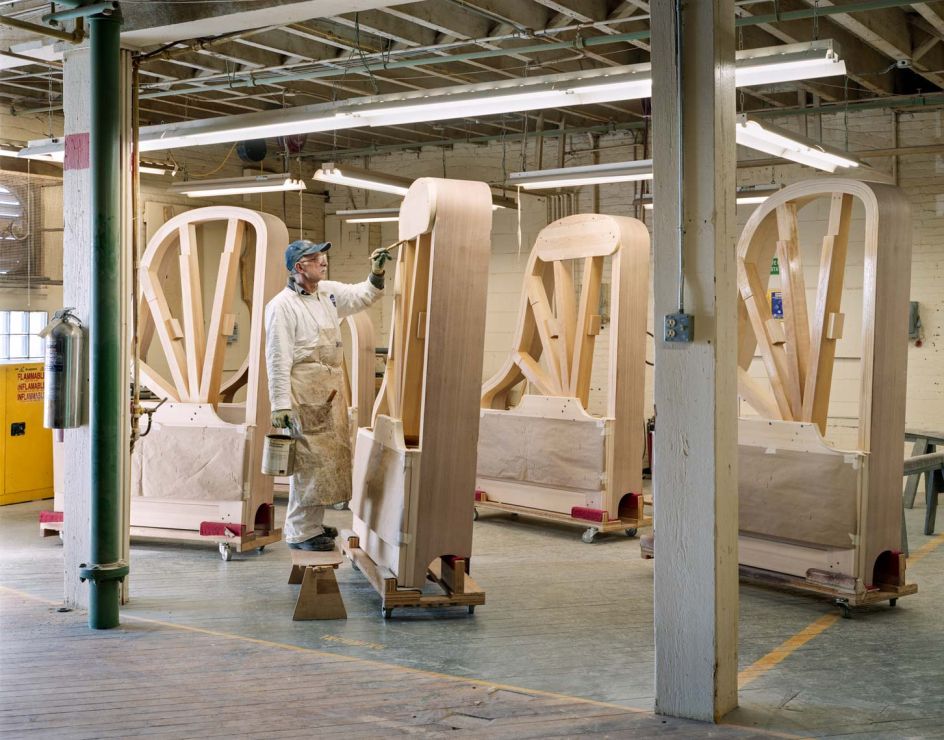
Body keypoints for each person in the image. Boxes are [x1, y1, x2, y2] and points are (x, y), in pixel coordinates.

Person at [265, 238, 390, 551]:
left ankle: (311, 524)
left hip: (329, 392)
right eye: (315, 258)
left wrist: (376, 274)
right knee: (308, 463)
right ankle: (300, 532)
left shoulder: (328, 293)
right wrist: (280, 404)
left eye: (322, 256)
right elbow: (277, 358)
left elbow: (363, 296)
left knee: (325, 462)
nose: (323, 261)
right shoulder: (282, 306)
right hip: (304, 393)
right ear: (299, 267)